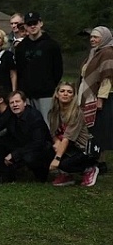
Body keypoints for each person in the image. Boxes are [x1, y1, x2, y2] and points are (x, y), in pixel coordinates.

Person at [0, 90, 54, 183]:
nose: (15, 105)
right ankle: (4, 175)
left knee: (30, 157)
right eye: (12, 103)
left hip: (38, 148)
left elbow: (38, 143)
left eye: (17, 102)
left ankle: (41, 175)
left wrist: (14, 154)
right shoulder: (10, 113)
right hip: (20, 143)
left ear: (24, 103)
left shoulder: (35, 116)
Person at [47, 82, 100, 187]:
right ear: (57, 95)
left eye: (69, 92)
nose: (65, 94)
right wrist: (57, 143)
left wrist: (57, 159)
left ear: (73, 96)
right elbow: (53, 133)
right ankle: (66, 175)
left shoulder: (76, 113)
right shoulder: (53, 112)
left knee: (63, 164)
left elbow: (67, 138)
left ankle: (89, 169)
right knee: (46, 149)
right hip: (67, 147)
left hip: (83, 149)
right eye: (62, 91)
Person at [15, 12, 63, 122]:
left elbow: (58, 70)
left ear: (40, 23)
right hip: (26, 94)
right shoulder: (21, 48)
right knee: (27, 124)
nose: (32, 26)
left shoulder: (52, 45)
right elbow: (19, 70)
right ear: (25, 26)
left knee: (47, 123)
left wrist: (50, 85)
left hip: (46, 93)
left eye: (35, 23)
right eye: (29, 24)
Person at [78, 26, 113, 169]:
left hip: (102, 97)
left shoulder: (108, 53)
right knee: (93, 128)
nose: (92, 39)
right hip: (90, 95)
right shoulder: (94, 52)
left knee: (100, 129)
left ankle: (100, 161)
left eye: (96, 37)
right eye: (91, 37)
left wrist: (101, 99)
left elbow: (108, 78)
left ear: (104, 38)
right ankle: (93, 158)